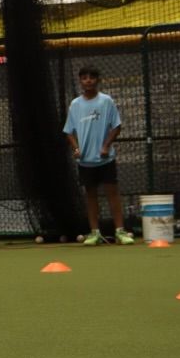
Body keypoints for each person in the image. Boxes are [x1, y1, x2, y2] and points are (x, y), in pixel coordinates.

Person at [63, 66, 134, 246]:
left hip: (105, 159)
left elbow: (117, 126)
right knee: (91, 196)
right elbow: (68, 132)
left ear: (97, 80)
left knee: (113, 194)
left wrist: (106, 146)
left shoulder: (106, 101)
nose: (88, 80)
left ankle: (120, 232)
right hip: (85, 162)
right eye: (84, 78)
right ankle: (94, 233)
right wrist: (76, 148)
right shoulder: (75, 104)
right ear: (80, 81)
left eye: (91, 77)